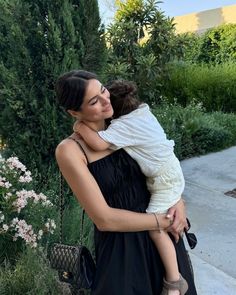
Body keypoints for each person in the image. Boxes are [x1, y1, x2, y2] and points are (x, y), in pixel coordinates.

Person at [55, 70, 197, 295]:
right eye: (94, 101)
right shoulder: (71, 150)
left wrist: (178, 202)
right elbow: (104, 219)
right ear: (74, 112)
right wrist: (163, 220)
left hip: (163, 243)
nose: (105, 101)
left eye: (103, 90)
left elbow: (161, 164)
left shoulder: (125, 123)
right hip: (123, 253)